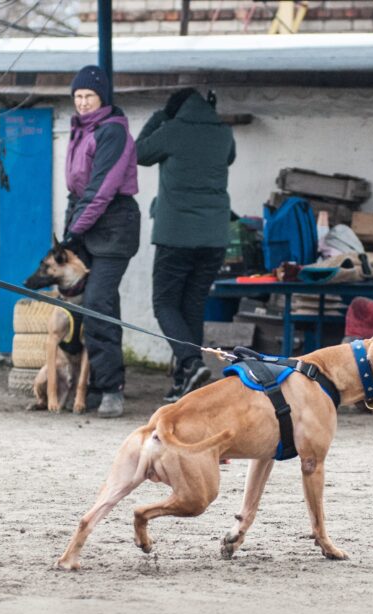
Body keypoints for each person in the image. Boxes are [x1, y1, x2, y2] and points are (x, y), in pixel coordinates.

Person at [136, 88, 236, 402]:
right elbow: (229, 157)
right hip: (215, 238)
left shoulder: (172, 130)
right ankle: (185, 381)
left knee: (164, 304)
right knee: (192, 306)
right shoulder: (224, 134)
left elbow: (138, 153)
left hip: (176, 235)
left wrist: (159, 118)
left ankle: (191, 363)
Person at [61, 65, 140, 418]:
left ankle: (111, 389)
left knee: (97, 303)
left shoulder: (112, 132)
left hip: (113, 225)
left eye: (88, 97)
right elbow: (75, 188)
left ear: (102, 98)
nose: (82, 103)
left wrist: (74, 231)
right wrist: (71, 231)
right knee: (94, 305)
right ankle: (93, 385)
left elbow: (101, 189)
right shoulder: (79, 130)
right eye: (77, 97)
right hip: (87, 221)